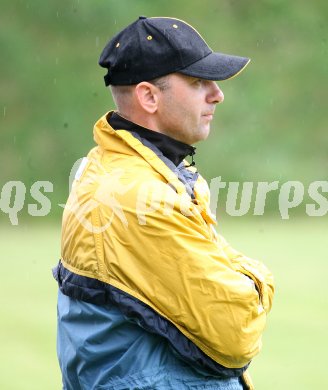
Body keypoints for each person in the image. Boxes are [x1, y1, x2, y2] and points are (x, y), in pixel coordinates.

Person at [53, 16, 274, 390]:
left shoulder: (128, 170)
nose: (217, 94)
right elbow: (236, 329)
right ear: (148, 97)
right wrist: (261, 281)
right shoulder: (136, 196)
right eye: (198, 82)